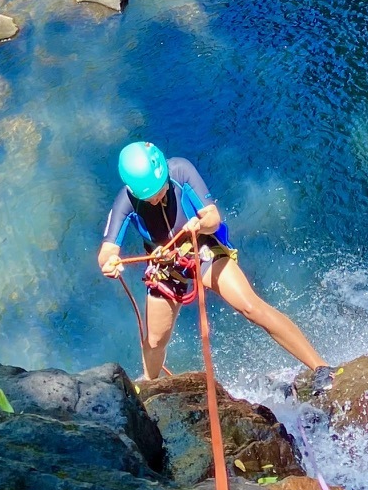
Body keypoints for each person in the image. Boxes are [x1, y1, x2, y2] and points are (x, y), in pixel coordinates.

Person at [97, 141, 325, 382]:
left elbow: (213, 218)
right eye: (148, 197)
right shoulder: (126, 200)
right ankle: (149, 386)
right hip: (165, 267)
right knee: (154, 342)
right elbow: (107, 249)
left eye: (158, 192)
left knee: (251, 307)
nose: (154, 201)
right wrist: (109, 262)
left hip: (202, 249)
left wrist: (199, 224)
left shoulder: (181, 171)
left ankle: (320, 367)